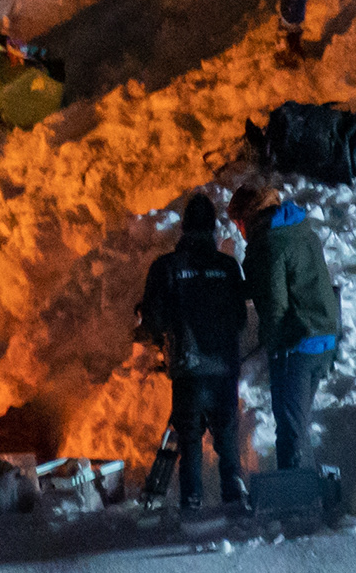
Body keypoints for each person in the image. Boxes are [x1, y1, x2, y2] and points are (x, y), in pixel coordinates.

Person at [137, 190, 253, 513]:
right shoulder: (228, 267)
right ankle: (233, 495)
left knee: (189, 440)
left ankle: (192, 502)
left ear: (184, 228)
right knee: (227, 437)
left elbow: (153, 319)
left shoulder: (167, 267)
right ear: (214, 230)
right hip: (224, 367)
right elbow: (241, 319)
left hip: (188, 370)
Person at [239, 178, 340, 470]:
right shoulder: (300, 231)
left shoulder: (268, 244)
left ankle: (294, 498)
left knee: (290, 428)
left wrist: (272, 340)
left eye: (239, 223)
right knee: (299, 423)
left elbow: (275, 302)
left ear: (248, 217)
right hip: (323, 337)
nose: (240, 232)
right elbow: (293, 280)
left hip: (296, 344)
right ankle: (307, 488)